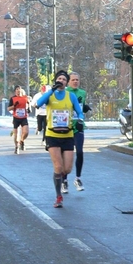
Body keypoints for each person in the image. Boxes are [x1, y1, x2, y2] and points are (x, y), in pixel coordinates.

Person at [36, 70, 84, 208]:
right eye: (59, 78)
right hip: (52, 135)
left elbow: (79, 111)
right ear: (56, 80)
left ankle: (61, 179)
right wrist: (51, 91)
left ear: (66, 82)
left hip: (68, 135)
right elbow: (38, 103)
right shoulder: (50, 95)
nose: (61, 80)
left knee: (67, 169)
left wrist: (80, 119)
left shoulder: (71, 96)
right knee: (58, 166)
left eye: (64, 79)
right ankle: (58, 196)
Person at [61, 71, 91, 193]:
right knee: (66, 155)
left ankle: (78, 178)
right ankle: (64, 180)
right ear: (68, 81)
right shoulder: (64, 92)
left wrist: (85, 108)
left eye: (77, 80)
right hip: (66, 127)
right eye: (73, 80)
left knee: (80, 152)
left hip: (78, 126)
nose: (75, 82)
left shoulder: (82, 93)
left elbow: (81, 107)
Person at [7, 85, 30, 154]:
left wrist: (29, 107)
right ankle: (16, 147)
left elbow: (29, 104)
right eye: (17, 89)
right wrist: (14, 106)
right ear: (15, 91)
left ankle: (21, 141)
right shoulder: (13, 98)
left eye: (19, 89)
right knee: (15, 134)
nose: (18, 90)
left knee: (26, 132)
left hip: (23, 117)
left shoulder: (25, 97)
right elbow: (8, 109)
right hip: (16, 117)